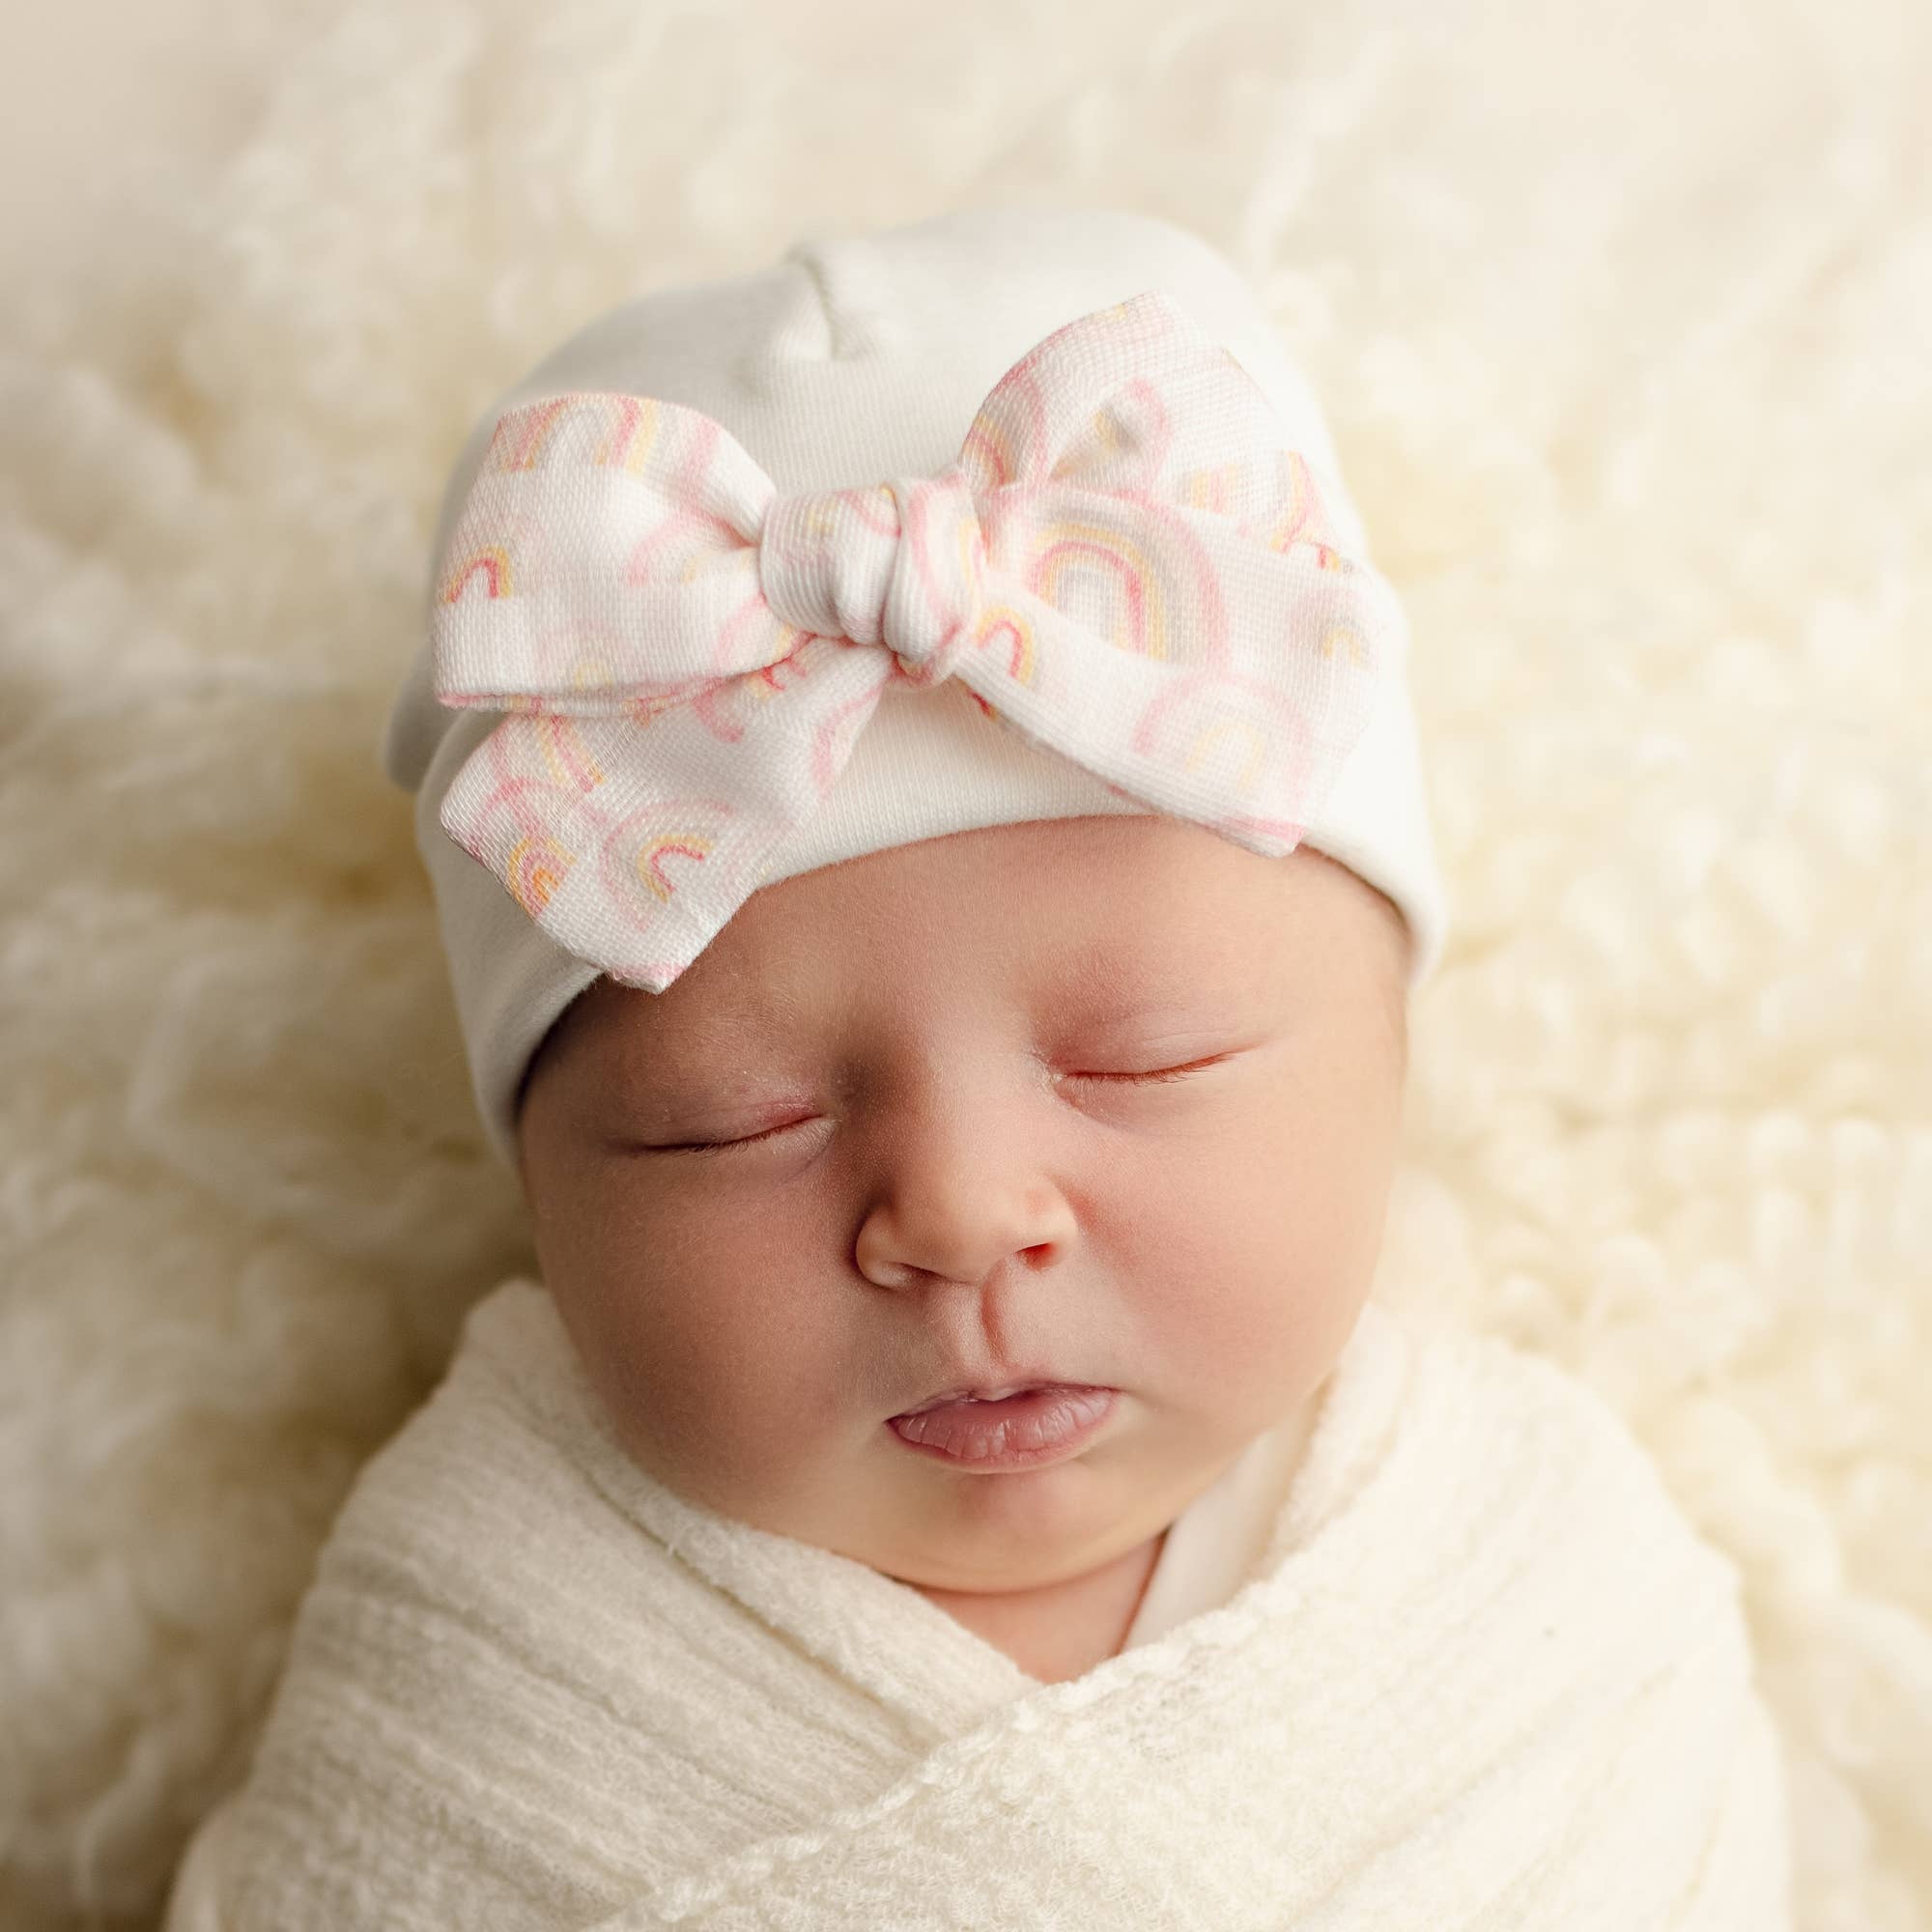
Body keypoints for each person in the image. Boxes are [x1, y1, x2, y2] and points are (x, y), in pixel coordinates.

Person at [163, 201, 1790, 1928]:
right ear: (543, 1192)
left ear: (1391, 1057)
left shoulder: (1543, 1586)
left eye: (1142, 1060)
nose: (957, 1210)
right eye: (736, 1121)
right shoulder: (472, 1655)